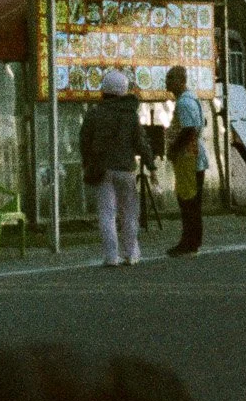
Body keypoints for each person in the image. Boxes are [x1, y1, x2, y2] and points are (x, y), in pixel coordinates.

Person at [79, 68, 153, 267]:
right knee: (129, 212)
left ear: (104, 90)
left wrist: (87, 161)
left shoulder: (94, 113)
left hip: (102, 168)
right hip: (126, 168)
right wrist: (151, 164)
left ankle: (111, 256)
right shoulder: (130, 114)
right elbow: (140, 141)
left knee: (106, 212)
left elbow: (84, 140)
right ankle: (131, 253)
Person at [165, 65, 209, 257]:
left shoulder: (184, 103)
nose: (167, 83)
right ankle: (193, 240)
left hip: (189, 157)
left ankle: (189, 241)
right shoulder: (191, 99)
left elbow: (189, 129)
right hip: (194, 156)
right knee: (192, 201)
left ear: (180, 81)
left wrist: (173, 148)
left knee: (188, 200)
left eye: (170, 79)